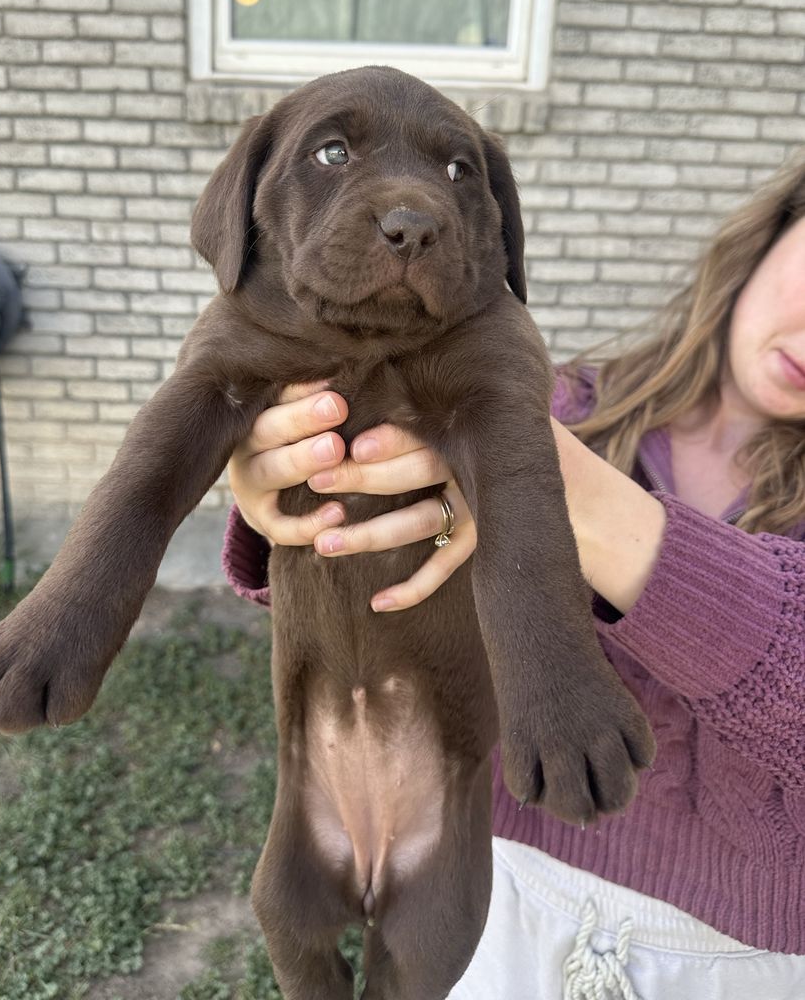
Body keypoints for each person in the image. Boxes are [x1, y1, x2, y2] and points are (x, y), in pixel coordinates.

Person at [221, 153, 805, 998]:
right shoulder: (563, 402)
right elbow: (376, 607)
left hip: (739, 964)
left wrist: (562, 491)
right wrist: (298, 491)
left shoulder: (529, 426)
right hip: (486, 896)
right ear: (775, 232)